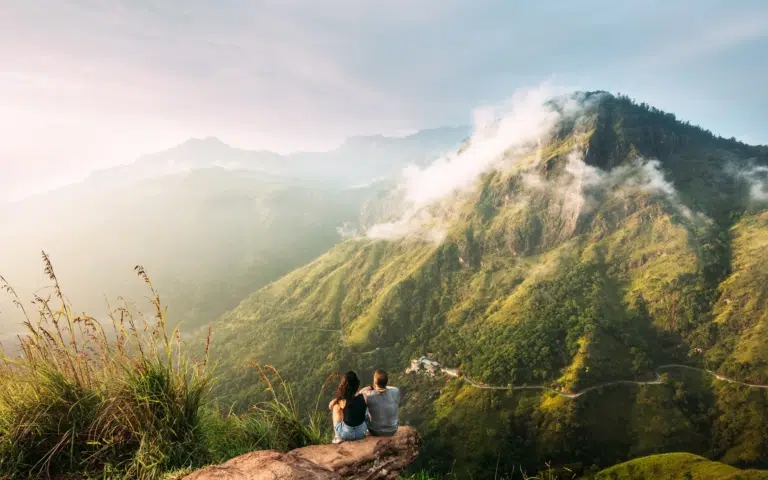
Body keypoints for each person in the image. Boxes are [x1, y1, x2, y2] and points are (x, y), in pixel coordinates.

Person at [329, 371, 367, 443]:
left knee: (335, 407)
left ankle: (337, 437)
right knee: (364, 407)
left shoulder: (341, 401)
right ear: (357, 384)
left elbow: (330, 406)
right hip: (361, 433)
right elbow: (358, 395)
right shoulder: (364, 396)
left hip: (346, 435)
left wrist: (336, 400)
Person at [360, 369, 400, 436]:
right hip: (393, 430)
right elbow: (391, 387)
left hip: (375, 431)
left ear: (375, 383)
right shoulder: (396, 391)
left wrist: (371, 387)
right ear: (387, 381)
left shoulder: (368, 394)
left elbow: (359, 394)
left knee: (364, 411)